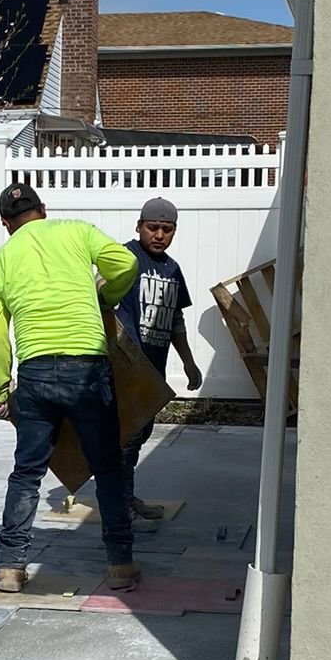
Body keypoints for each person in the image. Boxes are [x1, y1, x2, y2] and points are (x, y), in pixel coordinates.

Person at [0, 181, 142, 594]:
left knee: (27, 472)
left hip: (35, 371)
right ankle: (120, 564)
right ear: (44, 209)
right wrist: (107, 299)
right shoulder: (77, 231)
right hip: (87, 367)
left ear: (5, 223)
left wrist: (1, 389)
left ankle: (12, 566)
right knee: (106, 467)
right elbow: (125, 264)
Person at [115, 196, 201, 520]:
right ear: (139, 227)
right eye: (153, 227)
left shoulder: (172, 269)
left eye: (167, 229)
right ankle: (119, 504)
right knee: (126, 437)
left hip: (154, 368)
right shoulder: (124, 257)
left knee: (140, 435)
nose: (159, 234)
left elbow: (175, 319)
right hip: (126, 368)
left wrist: (189, 361)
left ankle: (124, 496)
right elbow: (98, 297)